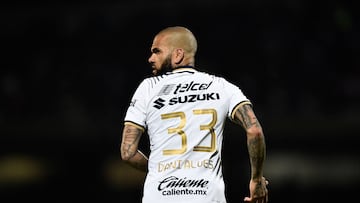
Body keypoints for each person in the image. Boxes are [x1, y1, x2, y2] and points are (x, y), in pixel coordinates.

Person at [120, 26, 268, 203]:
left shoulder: (148, 88)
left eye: (156, 51)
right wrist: (256, 179)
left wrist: (159, 170)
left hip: (160, 196)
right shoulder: (221, 86)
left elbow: (127, 152)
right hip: (208, 197)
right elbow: (255, 131)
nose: (150, 58)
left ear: (178, 54)